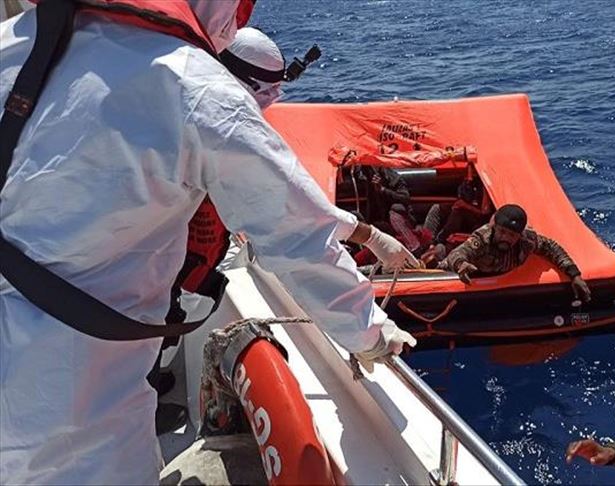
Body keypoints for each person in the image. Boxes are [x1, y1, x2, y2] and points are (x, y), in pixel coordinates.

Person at [0, 2, 415, 483]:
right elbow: (298, 232)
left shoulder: (12, 41)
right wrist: (370, 335)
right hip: (68, 407)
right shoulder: (194, 87)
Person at [437, 204, 591, 304]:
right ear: (495, 228)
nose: (505, 238)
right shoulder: (482, 238)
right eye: (502, 232)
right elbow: (459, 253)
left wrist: (574, 275)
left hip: (502, 284)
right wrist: (461, 264)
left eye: (512, 235)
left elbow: (551, 247)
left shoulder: (527, 240)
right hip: (465, 277)